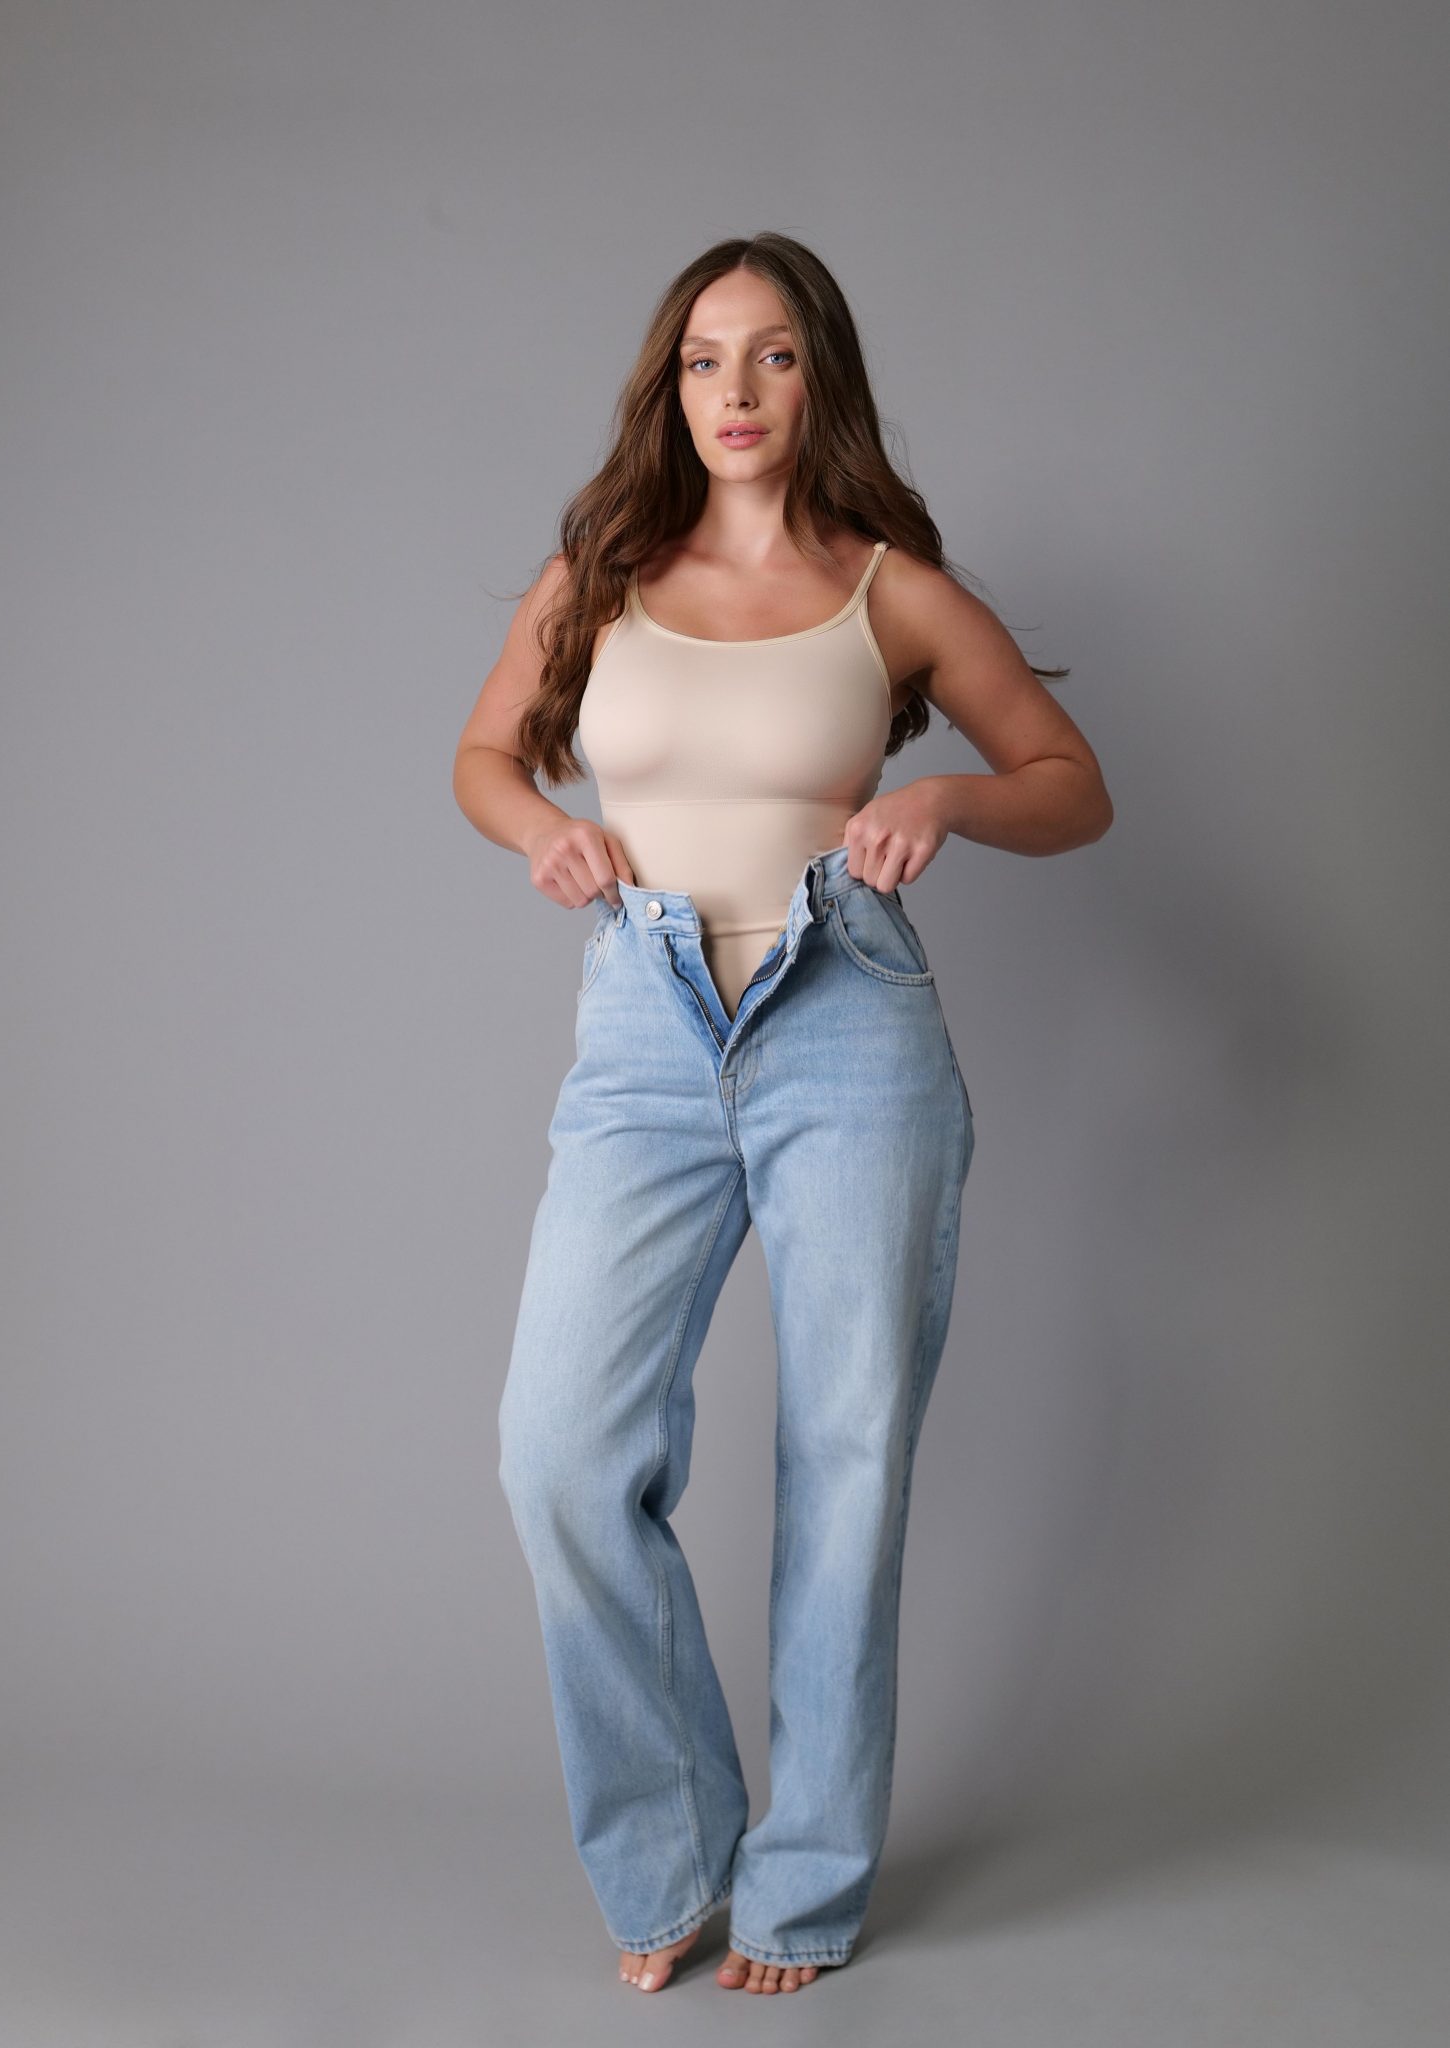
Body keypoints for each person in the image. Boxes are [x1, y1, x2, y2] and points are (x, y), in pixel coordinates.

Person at [452, 232, 1113, 1997]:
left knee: (845, 1460)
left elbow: (1072, 787)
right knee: (558, 1451)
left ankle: (802, 1886)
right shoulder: (596, 575)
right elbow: (483, 758)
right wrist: (549, 834)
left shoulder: (889, 591)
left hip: (848, 1021)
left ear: (819, 376)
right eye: (700, 359)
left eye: (769, 356)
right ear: (667, 387)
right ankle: (673, 1855)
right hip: (644, 1024)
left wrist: (949, 801)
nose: (732, 392)